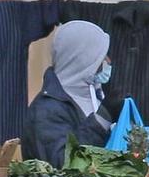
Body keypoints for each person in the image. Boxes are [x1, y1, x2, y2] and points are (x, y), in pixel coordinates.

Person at [22, 19, 113, 164]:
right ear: (82, 58)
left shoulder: (94, 95)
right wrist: (100, 121)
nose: (107, 61)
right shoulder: (46, 111)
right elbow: (60, 165)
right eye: (101, 56)